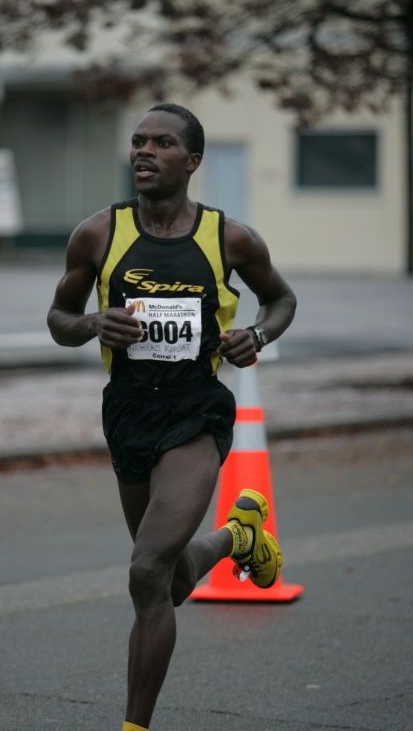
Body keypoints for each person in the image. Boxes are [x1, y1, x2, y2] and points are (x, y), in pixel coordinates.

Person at [47, 103, 297, 731]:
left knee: (146, 570)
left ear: (191, 162)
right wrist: (89, 324)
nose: (144, 152)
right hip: (128, 412)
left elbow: (281, 298)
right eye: (137, 142)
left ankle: (134, 726)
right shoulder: (96, 234)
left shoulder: (229, 237)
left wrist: (258, 337)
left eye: (161, 143)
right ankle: (240, 539)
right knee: (168, 579)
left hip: (196, 411)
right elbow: (58, 319)